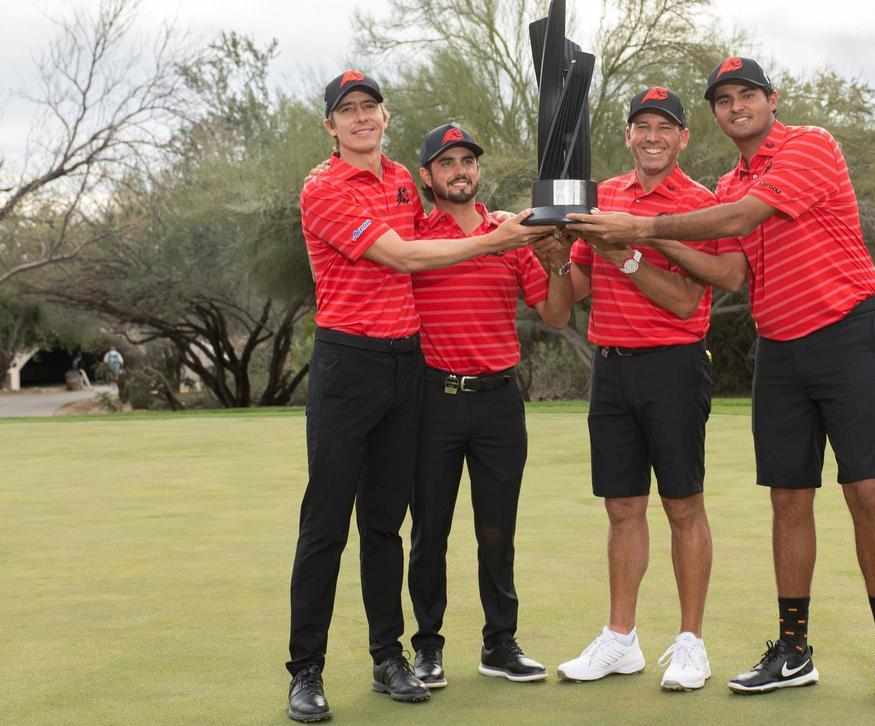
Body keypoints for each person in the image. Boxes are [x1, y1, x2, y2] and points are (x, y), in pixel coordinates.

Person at [565, 58, 875, 709]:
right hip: (779, 347)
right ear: (715, 115)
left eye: (747, 95)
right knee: (788, 499)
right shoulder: (729, 178)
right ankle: (794, 651)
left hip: (845, 332)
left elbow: (736, 224)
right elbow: (727, 269)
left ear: (770, 99)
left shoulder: (809, 147)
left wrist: (639, 231)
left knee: (865, 491)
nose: (737, 106)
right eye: (724, 99)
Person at [287, 70, 548, 723]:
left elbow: (437, 231)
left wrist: (511, 228)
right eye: (347, 111)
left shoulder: (404, 179)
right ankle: (306, 671)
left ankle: (389, 658)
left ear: (384, 114)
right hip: (348, 363)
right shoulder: (323, 189)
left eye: (369, 107)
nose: (360, 118)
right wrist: (499, 238)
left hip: (407, 367)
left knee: (385, 524)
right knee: (325, 524)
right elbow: (402, 256)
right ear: (331, 125)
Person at [555, 87, 718, 692]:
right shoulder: (603, 198)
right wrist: (550, 248)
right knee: (622, 507)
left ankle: (691, 643)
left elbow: (683, 301)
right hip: (612, 368)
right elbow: (573, 286)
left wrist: (625, 254)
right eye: (641, 126)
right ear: (627, 136)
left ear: (682, 139)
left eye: (664, 127)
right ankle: (621, 640)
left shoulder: (699, 204)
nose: (652, 136)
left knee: (682, 506)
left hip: (673, 366)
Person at [405, 123, 573, 689]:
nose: (459, 170)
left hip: (498, 401)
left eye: (467, 161)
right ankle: (426, 647)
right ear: (427, 175)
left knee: (498, 529)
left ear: (478, 171)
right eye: (447, 162)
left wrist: (557, 259)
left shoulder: (510, 233)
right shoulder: (412, 233)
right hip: (434, 400)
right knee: (430, 529)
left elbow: (556, 315)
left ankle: (500, 642)